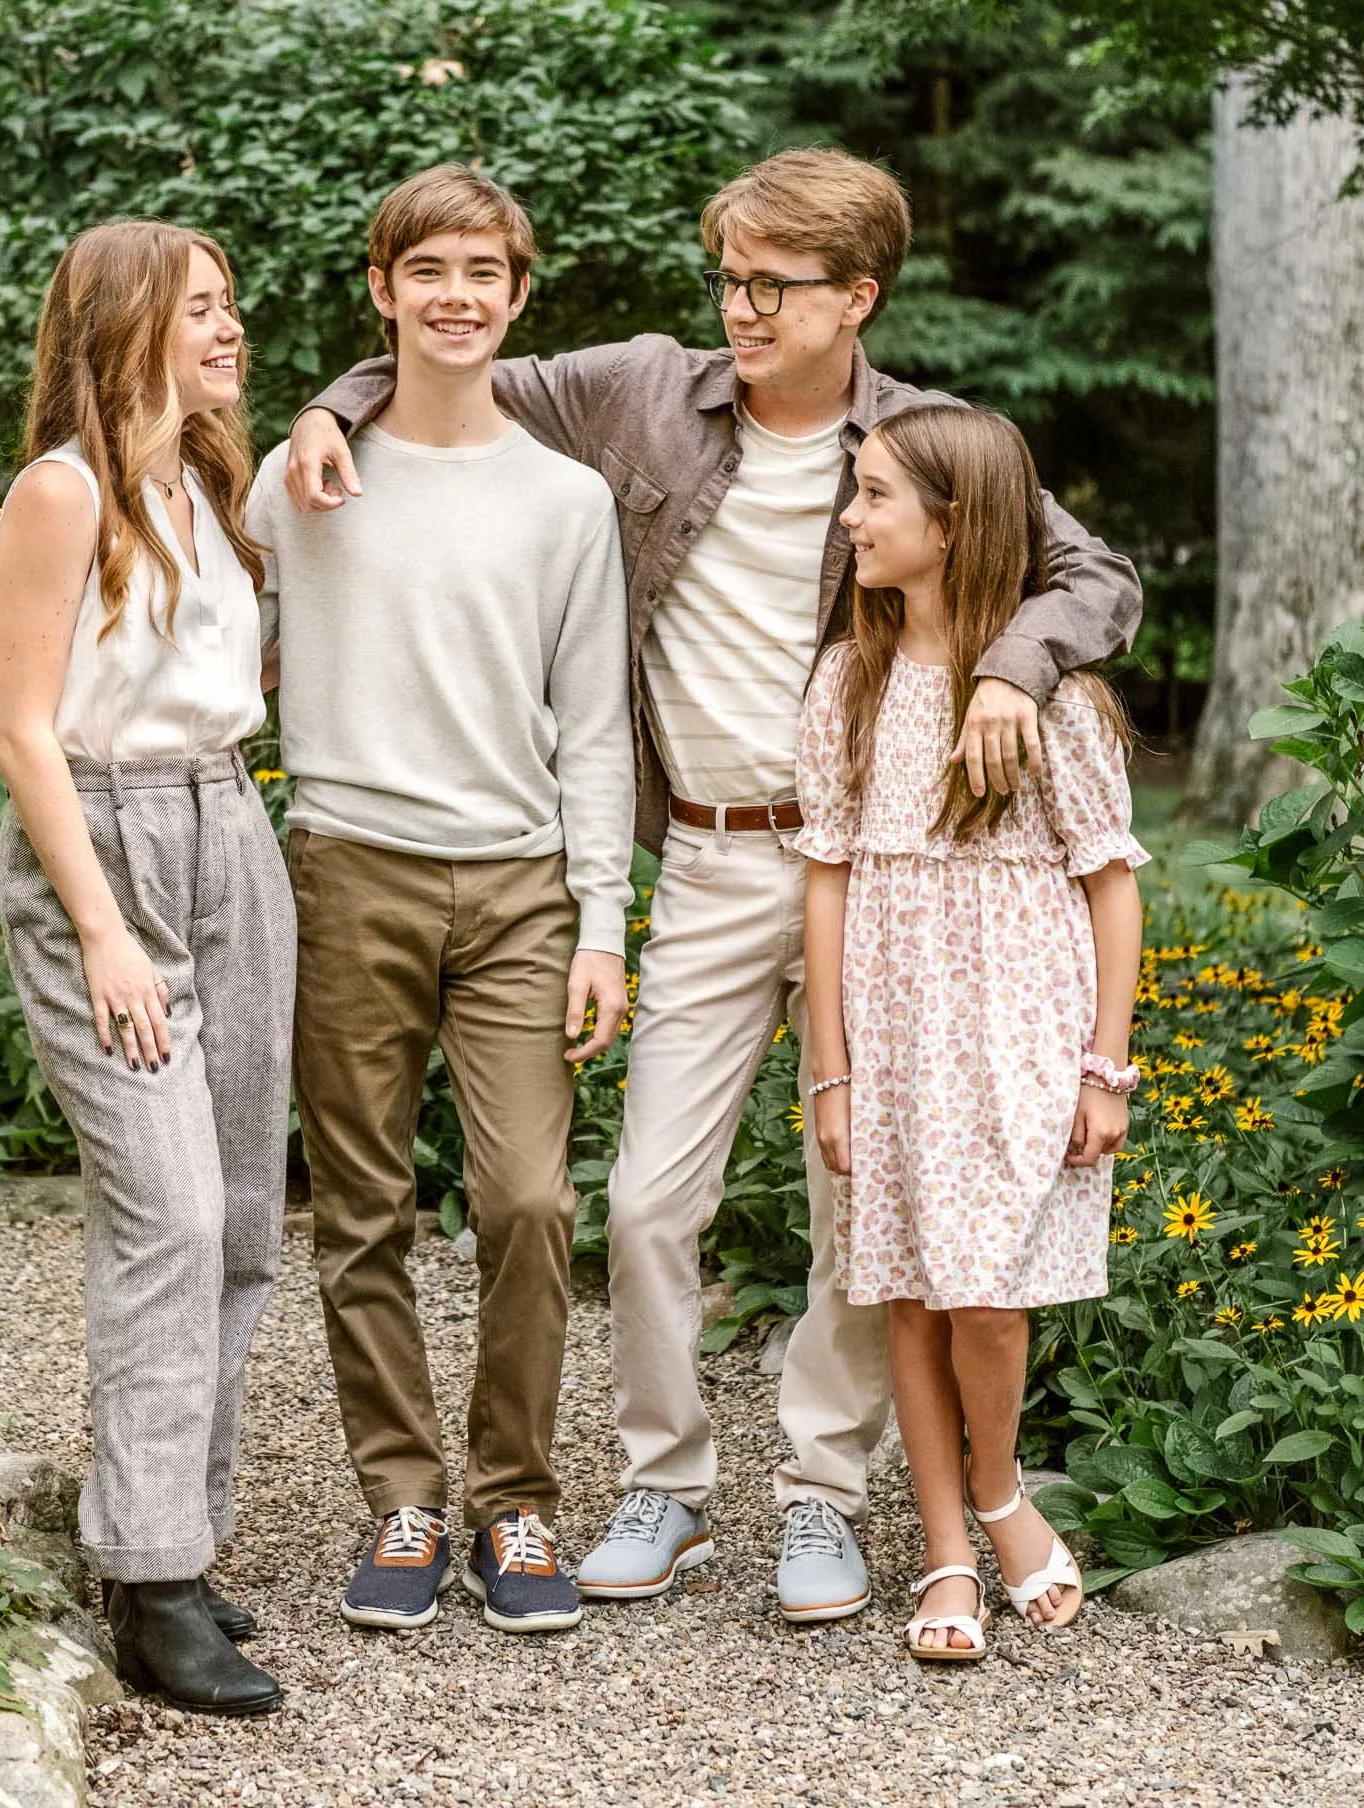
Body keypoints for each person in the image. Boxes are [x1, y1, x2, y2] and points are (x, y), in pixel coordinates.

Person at [283, 148, 1143, 1621]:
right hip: (705, 849)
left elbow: (1096, 579)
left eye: (771, 285)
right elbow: (451, 356)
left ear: (856, 297)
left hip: (880, 873)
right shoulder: (639, 392)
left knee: (850, 1198)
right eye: (728, 279)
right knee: (643, 1200)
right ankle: (667, 1481)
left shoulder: (923, 441)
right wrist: (328, 402)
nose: (738, 308)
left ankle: (820, 1495)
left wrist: (1010, 667)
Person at [246, 165, 634, 1635]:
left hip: (523, 886)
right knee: (363, 1210)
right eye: (429, 271)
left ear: (518, 299)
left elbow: (593, 725)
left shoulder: (567, 500)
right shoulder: (304, 482)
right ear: (381, 291)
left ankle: (517, 1504)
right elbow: (207, 620)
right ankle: (403, 1501)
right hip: (349, 868)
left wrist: (603, 920)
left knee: (529, 1200)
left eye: (484, 272)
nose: (456, 295)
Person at [0, 220, 293, 1716]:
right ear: (125, 327)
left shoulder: (209, 482)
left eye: (232, 307)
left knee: (238, 1217)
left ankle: (179, 1542)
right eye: (203, 311)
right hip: (103, 848)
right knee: (165, 1212)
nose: (231, 331)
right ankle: (147, 1585)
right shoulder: (60, 493)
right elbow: (21, 727)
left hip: (229, 827)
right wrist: (103, 925)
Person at [796, 403, 1145, 1662]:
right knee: (911, 1285)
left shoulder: (1056, 703)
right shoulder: (850, 681)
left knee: (989, 1295)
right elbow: (827, 874)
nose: (851, 517)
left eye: (875, 496)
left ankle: (998, 1491)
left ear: (951, 523)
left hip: (1019, 1028)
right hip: (893, 1025)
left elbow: (1111, 881)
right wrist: (829, 1068)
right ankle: (946, 1545)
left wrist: (1106, 1063)